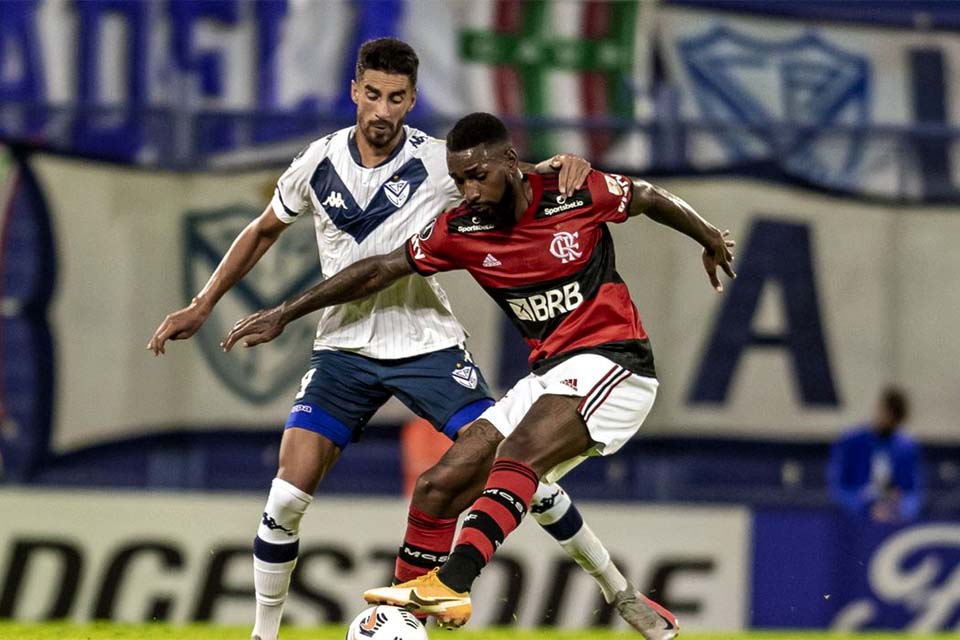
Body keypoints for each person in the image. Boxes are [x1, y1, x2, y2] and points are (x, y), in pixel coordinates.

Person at [149, 39, 646, 640]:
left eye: (397, 98)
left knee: (515, 466)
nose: (383, 110)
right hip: (343, 351)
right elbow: (261, 231)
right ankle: (264, 636)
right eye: (374, 94)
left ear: (411, 100)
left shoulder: (443, 162)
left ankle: (618, 591)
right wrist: (203, 305)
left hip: (428, 346)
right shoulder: (316, 162)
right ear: (354, 91)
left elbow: (525, 176)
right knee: (285, 497)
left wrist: (570, 164)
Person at [221, 111, 737, 637]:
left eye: (477, 175)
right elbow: (378, 268)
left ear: (510, 162)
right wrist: (285, 312)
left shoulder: (572, 192)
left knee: (516, 459)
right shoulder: (462, 229)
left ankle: (455, 581)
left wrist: (708, 236)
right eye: (459, 179)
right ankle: (405, 619)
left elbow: (646, 196)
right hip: (549, 374)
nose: (468, 190)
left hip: (615, 363)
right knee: (438, 486)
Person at [828, 386, 924, 522]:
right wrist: (866, 507)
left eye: (894, 419)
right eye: (886, 413)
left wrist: (899, 509)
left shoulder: (906, 447)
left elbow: (913, 492)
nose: (887, 420)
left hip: (892, 520)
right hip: (854, 523)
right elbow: (838, 487)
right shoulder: (851, 442)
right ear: (879, 408)